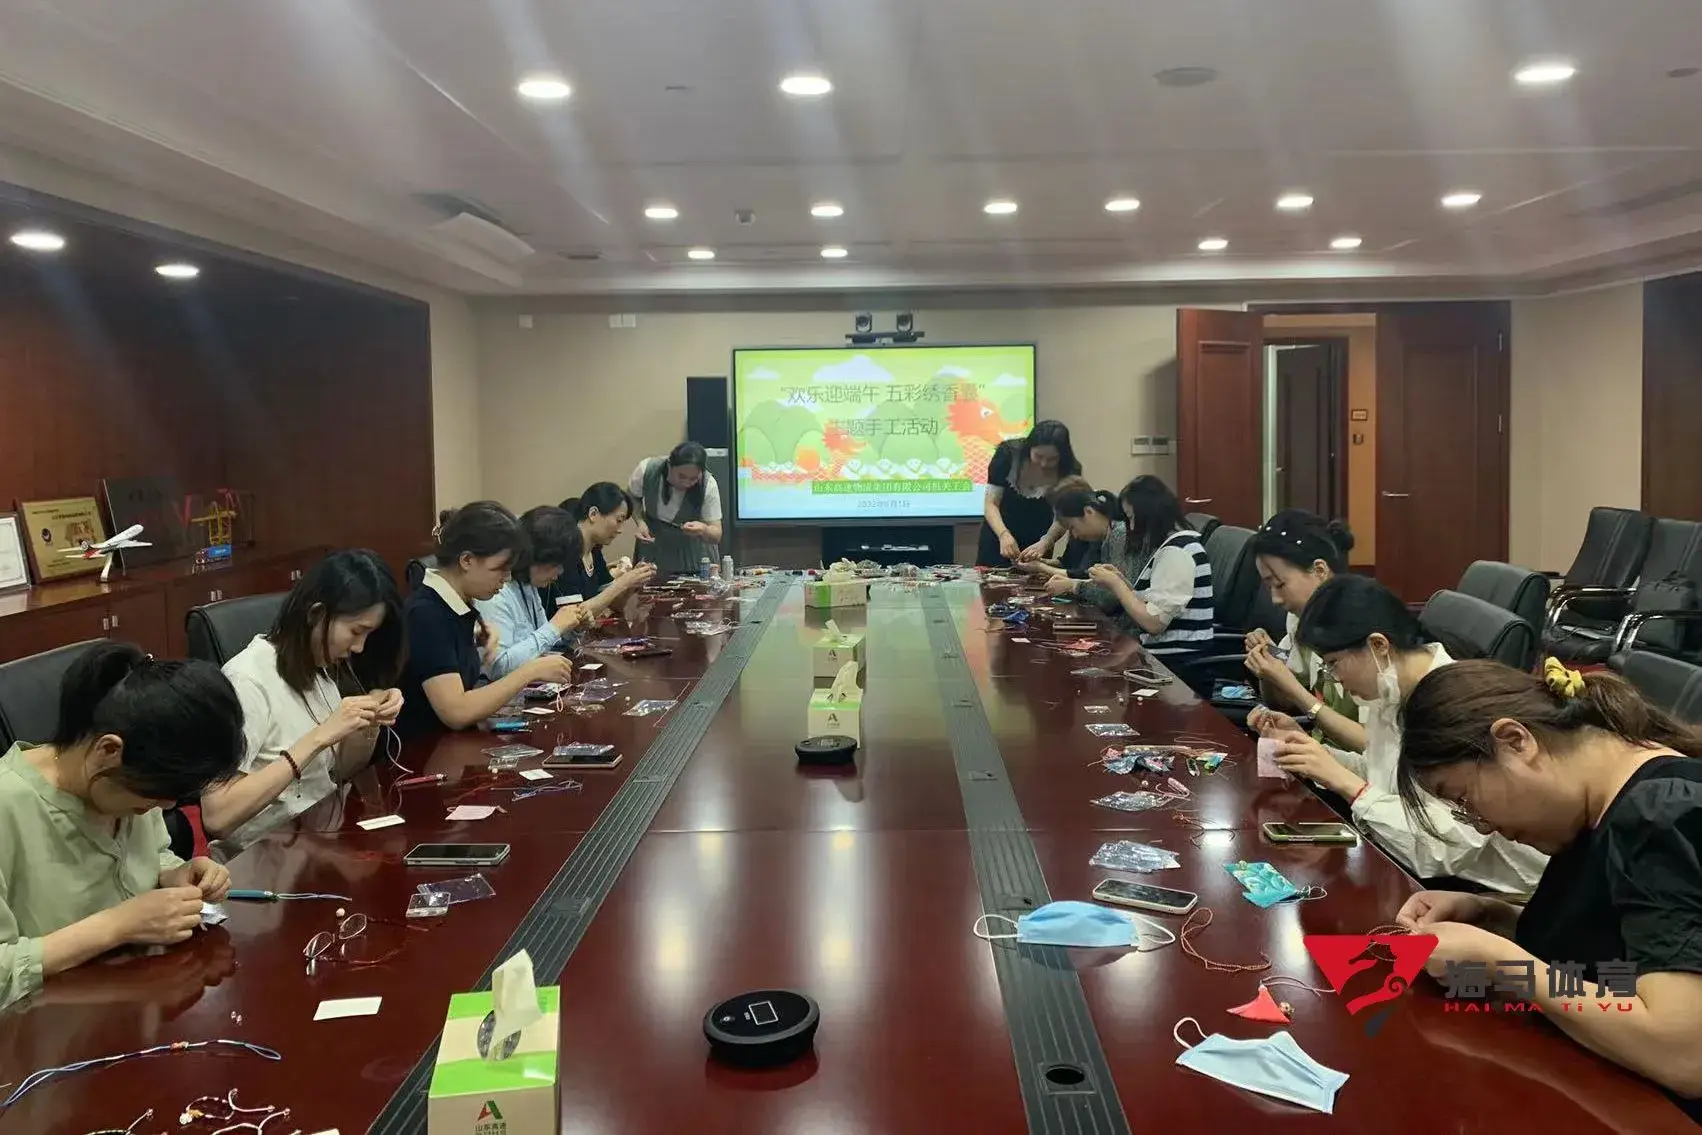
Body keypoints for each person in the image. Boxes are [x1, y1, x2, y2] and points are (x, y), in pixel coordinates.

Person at [1394, 659, 1702, 1120]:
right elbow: (1621, 949)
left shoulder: (1659, 819)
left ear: (1515, 741)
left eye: (1465, 800)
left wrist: (1502, 964)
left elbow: (1683, 1053)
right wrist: (1495, 917)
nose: (1483, 827)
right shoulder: (1596, 808)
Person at [0, 642, 245, 1009]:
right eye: (153, 796)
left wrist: (173, 874)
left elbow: (154, 855)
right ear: (108, 751)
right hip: (49, 1028)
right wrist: (116, 926)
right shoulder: (9, 806)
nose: (163, 808)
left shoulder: (128, 783)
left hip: (139, 1004)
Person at [1268, 574, 1547, 892]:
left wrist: (1347, 784)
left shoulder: (1453, 705)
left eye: (1334, 663)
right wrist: (1315, 756)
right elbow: (1385, 778)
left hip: (1489, 891)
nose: (1334, 677)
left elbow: (1447, 848)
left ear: (1378, 645)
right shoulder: (1389, 689)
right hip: (1417, 867)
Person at [202, 550, 405, 852]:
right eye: (356, 631)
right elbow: (218, 816)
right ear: (316, 614)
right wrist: (319, 738)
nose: (359, 647)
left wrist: (368, 720)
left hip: (317, 843)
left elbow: (339, 772)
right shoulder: (246, 680)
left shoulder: (318, 669)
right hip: (260, 860)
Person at [399, 501, 574, 735]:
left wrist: (475, 642)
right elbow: (456, 712)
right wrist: (530, 671)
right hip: (426, 748)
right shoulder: (427, 613)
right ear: (467, 560)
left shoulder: (460, 604)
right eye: (500, 568)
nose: (507, 578)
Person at [1049, 476, 1215, 661]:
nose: (1131, 526)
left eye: (1132, 518)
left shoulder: (1178, 551)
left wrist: (1117, 585)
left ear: (1148, 513)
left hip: (1176, 661)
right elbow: (1151, 604)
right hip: (1158, 653)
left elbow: (1154, 623)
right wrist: (1122, 582)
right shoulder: (1170, 548)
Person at [1242, 510, 1365, 751]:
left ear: (1319, 571)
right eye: (1269, 587)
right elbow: (1282, 703)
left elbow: (1371, 746)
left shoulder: (1363, 630)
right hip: (1321, 752)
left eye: (1280, 584)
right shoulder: (1300, 619)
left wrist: (1291, 686)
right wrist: (1270, 666)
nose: (1275, 599)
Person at [478, 506, 596, 679]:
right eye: (557, 564)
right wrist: (555, 626)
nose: (560, 572)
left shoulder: (527, 585)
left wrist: (573, 628)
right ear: (537, 555)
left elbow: (544, 646)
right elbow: (497, 668)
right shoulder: (496, 592)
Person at [975, 420, 1082, 568]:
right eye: (1038, 456)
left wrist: (1046, 542)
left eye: (1052, 459)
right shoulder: (1008, 455)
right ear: (1029, 448)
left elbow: (1064, 515)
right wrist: (1003, 534)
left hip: (1039, 540)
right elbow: (991, 503)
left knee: (1033, 580)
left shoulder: (1070, 470)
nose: (1044, 464)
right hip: (998, 535)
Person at [557, 483, 657, 611]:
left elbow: (617, 605)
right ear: (593, 514)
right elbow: (573, 615)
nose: (620, 530)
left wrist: (633, 583)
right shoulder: (566, 552)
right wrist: (623, 582)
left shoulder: (594, 552)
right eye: (619, 520)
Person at [629, 443, 722, 577]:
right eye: (681, 476)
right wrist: (640, 522)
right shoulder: (647, 470)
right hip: (654, 550)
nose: (686, 483)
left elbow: (716, 534)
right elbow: (631, 497)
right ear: (669, 465)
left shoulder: (708, 484)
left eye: (693, 479)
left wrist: (703, 529)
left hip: (693, 557)